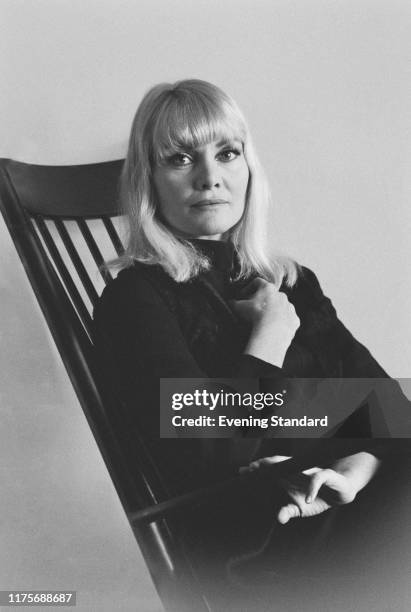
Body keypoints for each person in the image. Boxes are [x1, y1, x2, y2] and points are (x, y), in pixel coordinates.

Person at [93, 80, 408, 582]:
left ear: (248, 167)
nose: (209, 177)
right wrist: (271, 333)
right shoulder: (137, 298)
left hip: (342, 500)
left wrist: (355, 468)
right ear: (148, 180)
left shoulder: (291, 280)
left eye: (227, 153)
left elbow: (391, 409)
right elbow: (207, 447)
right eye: (180, 159)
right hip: (256, 533)